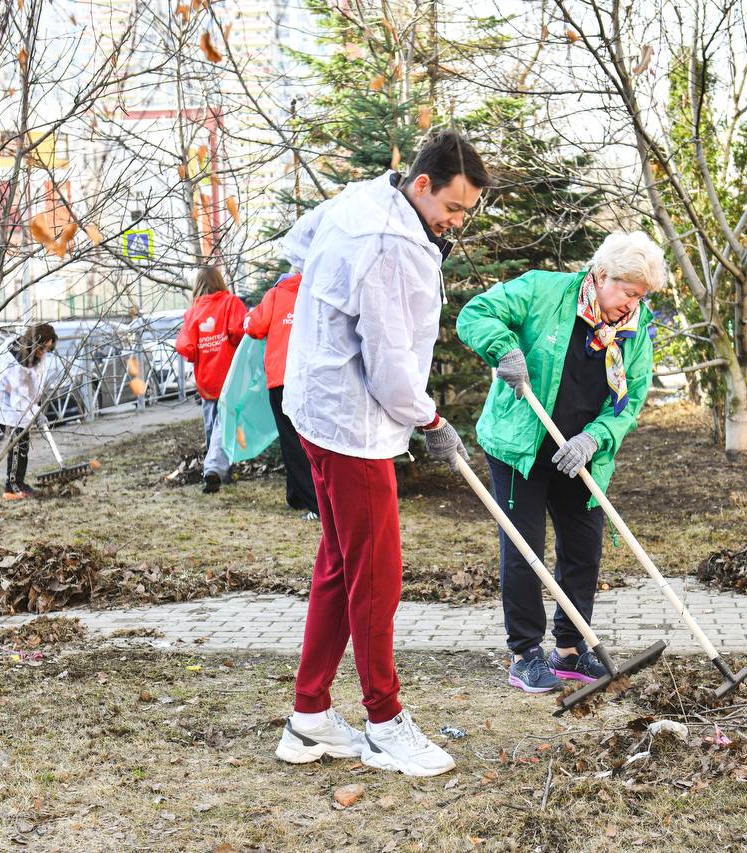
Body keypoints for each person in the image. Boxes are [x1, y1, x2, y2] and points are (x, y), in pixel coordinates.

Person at [272, 129, 488, 777]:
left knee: (341, 564)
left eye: (465, 213)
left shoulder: (365, 197)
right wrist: (432, 420)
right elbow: (392, 368)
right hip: (351, 426)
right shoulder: (393, 244)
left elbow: (297, 244)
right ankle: (385, 723)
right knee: (377, 577)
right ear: (420, 184)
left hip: (314, 407)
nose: (455, 222)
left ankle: (308, 716)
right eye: (451, 208)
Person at [456, 231, 664, 693]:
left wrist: (595, 438)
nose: (633, 305)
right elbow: (476, 313)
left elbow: (632, 398)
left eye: (641, 296)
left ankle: (570, 651)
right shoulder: (543, 290)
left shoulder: (635, 324)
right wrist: (504, 350)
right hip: (521, 443)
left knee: (584, 548)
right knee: (524, 549)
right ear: (602, 275)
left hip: (580, 450)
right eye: (629, 293)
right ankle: (525, 654)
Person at [243, 270, 319, 520]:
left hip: (282, 379)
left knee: (291, 440)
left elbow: (254, 327)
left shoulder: (275, 295)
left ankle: (314, 505)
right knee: (312, 439)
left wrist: (251, 314)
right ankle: (296, 496)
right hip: (313, 380)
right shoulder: (314, 291)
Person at [175, 266, 248, 492]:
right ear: (220, 282)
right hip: (230, 376)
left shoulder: (193, 312)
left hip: (206, 378)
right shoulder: (231, 303)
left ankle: (215, 470)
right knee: (224, 424)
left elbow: (186, 348)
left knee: (212, 424)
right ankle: (214, 469)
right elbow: (240, 333)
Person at [0, 322, 58, 500]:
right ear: (33, 343)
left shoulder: (35, 353)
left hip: (22, 404)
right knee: (17, 445)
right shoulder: (17, 363)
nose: (44, 353)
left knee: (23, 445)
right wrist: (37, 414)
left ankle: (19, 483)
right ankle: (12, 487)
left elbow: (34, 386)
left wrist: (37, 408)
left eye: (48, 348)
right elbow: (20, 399)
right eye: (42, 348)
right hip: (7, 406)